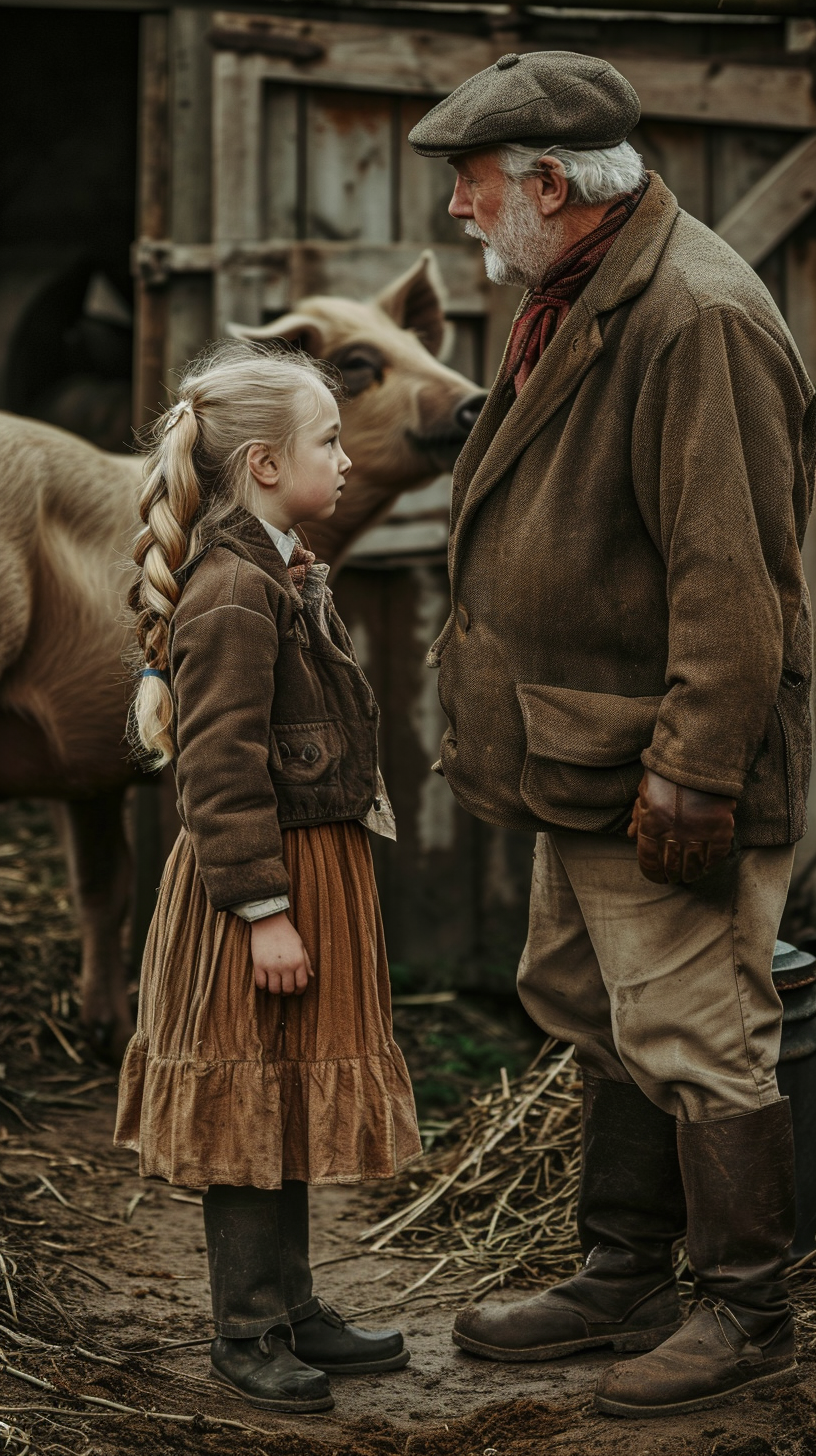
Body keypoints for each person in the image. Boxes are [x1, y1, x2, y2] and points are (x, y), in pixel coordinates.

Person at [408, 51, 815, 1416]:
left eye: (472, 185)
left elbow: (730, 572)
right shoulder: (577, 290)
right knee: (601, 1010)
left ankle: (746, 1312)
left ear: (549, 185)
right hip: (583, 750)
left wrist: (699, 771)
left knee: (701, 1032)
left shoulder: (694, 316)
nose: (461, 210)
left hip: (661, 765)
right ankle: (625, 1270)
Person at [114, 339, 421, 1414]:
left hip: (305, 874)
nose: (345, 458)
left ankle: (292, 1307)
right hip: (257, 890)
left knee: (283, 1091)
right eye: (327, 441)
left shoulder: (280, 564)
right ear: (261, 465)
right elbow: (219, 765)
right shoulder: (234, 588)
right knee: (250, 1095)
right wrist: (264, 912)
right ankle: (246, 1328)